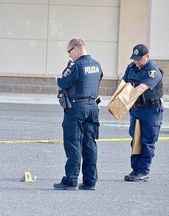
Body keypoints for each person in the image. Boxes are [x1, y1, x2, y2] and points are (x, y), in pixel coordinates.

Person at [53, 38, 103, 190]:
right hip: (93, 107)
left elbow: (64, 83)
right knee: (89, 144)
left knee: (73, 142)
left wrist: (60, 78)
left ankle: (71, 180)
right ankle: (90, 181)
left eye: (69, 52)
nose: (69, 56)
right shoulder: (97, 65)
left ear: (76, 48)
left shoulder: (77, 66)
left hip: (76, 108)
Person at [120, 44, 164, 182]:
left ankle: (144, 171)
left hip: (151, 111)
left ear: (147, 57)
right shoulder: (131, 67)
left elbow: (141, 88)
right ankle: (135, 170)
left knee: (147, 141)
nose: (136, 62)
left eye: (139, 59)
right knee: (135, 140)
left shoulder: (153, 71)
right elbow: (123, 84)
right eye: (135, 59)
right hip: (136, 109)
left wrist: (124, 101)